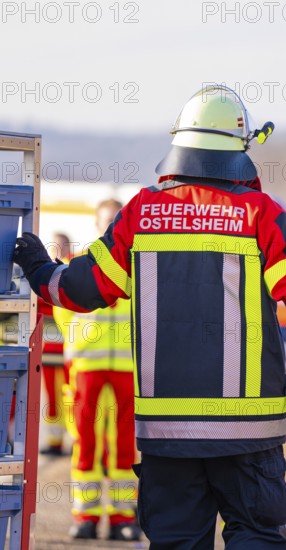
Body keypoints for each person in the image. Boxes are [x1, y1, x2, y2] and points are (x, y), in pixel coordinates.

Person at [13, 85, 286, 549]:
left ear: (179, 146)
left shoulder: (141, 213)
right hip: (248, 435)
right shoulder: (260, 215)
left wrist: (41, 270)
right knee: (256, 536)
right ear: (239, 151)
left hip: (167, 435)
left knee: (177, 540)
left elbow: (84, 288)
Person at [53, 200, 141, 541]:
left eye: (116, 221)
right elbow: (62, 308)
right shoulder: (80, 265)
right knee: (86, 444)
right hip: (88, 366)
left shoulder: (138, 267)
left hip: (126, 368)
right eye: (107, 221)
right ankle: (85, 516)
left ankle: (122, 518)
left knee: (124, 447)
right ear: (96, 223)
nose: (111, 227)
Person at [39, 233, 71, 455]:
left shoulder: (72, 272)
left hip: (71, 351)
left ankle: (75, 440)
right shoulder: (47, 273)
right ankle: (55, 441)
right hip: (49, 350)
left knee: (71, 398)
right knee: (52, 399)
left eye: (59, 245)